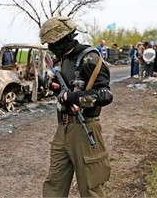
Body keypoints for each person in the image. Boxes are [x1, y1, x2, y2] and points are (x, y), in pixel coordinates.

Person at [39, 16, 113, 198]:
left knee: (90, 187)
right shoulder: (65, 59)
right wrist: (55, 86)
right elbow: (69, 84)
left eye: (52, 44)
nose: (51, 48)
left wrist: (72, 97)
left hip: (85, 128)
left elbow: (104, 95)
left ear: (64, 40)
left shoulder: (90, 58)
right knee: (54, 185)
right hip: (63, 128)